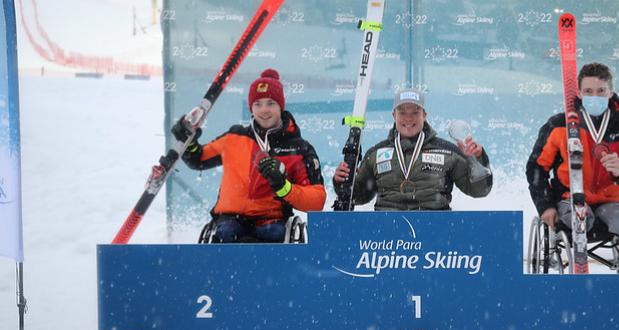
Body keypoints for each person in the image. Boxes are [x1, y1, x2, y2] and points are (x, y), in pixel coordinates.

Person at [172, 69, 325, 242]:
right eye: (258, 104)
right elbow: (198, 160)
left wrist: (284, 187)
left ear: (280, 106)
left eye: (270, 103)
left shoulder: (298, 148)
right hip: (230, 221)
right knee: (227, 232)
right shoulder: (234, 137)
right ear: (251, 107)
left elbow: (316, 200)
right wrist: (188, 142)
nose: (264, 110)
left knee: (273, 233)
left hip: (272, 222)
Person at [526, 62, 619, 235]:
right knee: (580, 220)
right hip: (569, 201)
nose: (595, 96)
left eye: (601, 91)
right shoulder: (559, 126)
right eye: (588, 92)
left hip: (610, 203)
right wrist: (545, 206)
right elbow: (536, 168)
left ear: (610, 93)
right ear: (579, 93)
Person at [333, 88, 493, 210]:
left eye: (415, 112)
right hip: (385, 235)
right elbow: (359, 196)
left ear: (424, 115)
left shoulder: (447, 151)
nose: (408, 118)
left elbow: (479, 191)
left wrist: (476, 160)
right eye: (402, 112)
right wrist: (342, 182)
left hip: (436, 232)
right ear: (393, 115)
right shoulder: (375, 154)